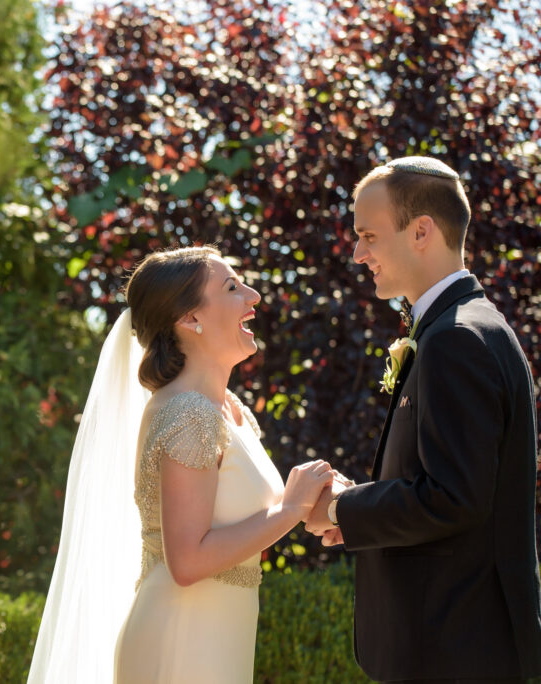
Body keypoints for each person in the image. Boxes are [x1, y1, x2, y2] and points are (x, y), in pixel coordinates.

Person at [28, 246, 335, 683]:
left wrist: (327, 500)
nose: (254, 296)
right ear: (191, 319)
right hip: (181, 640)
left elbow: (249, 518)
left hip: (216, 636)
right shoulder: (188, 414)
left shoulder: (229, 409)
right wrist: (290, 511)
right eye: (233, 287)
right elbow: (187, 562)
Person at [306, 156, 541, 682]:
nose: (357, 252)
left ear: (421, 231)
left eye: (368, 235)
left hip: (454, 651)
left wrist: (343, 508)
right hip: (457, 646)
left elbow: (453, 497)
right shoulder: (465, 328)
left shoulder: (456, 339)